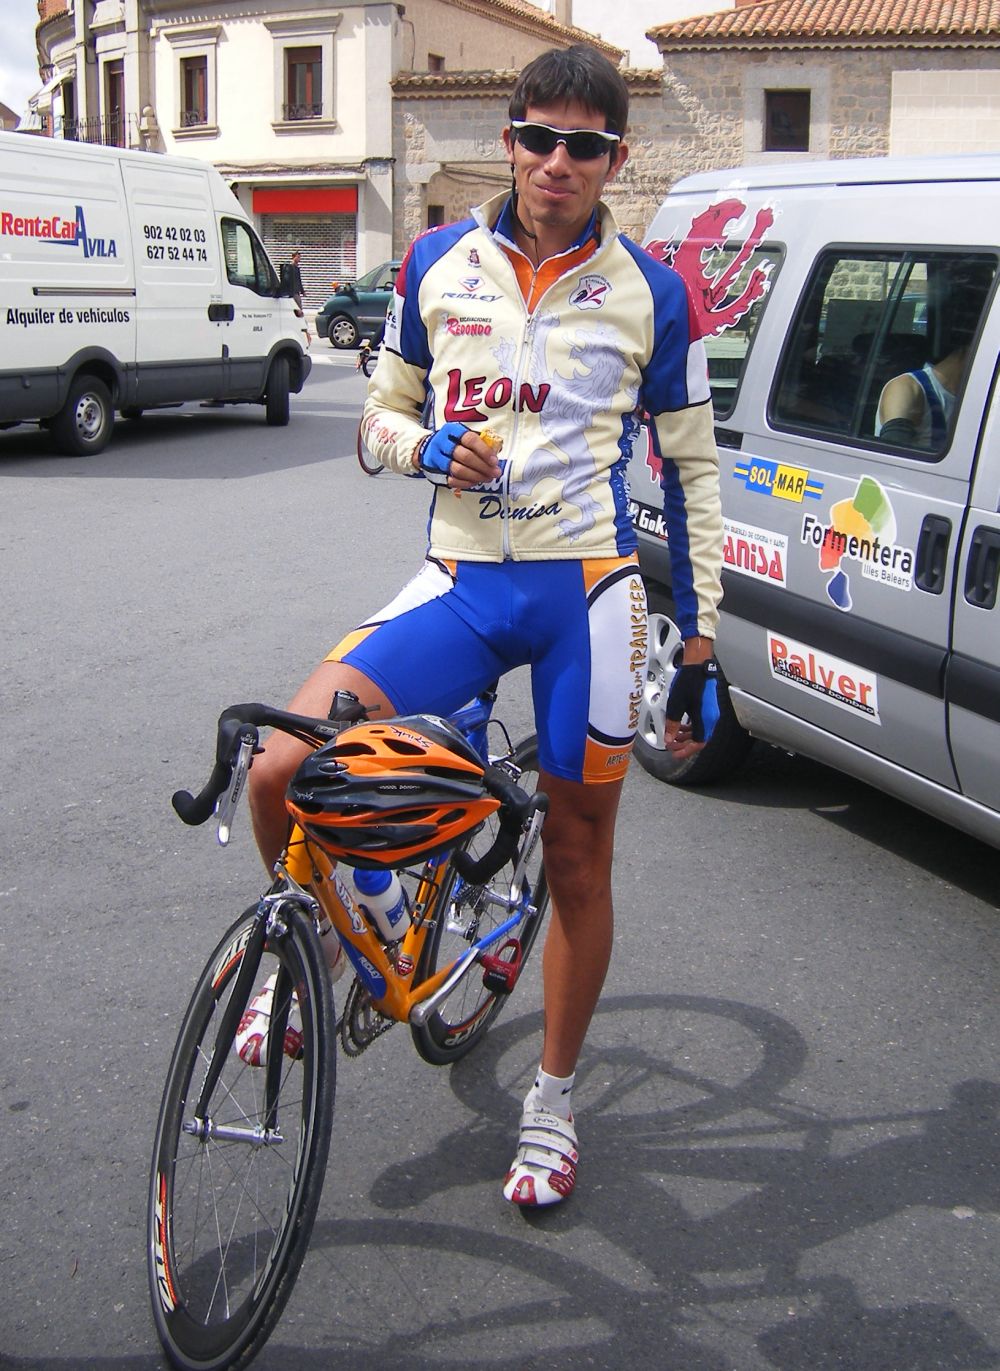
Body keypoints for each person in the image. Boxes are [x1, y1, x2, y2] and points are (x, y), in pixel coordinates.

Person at [248, 43, 724, 1208]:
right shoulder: (433, 262)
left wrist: (703, 639)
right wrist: (421, 446)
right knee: (277, 771)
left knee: (578, 857)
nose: (559, 162)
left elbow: (692, 473)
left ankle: (551, 1102)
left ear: (615, 159)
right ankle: (331, 942)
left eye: (585, 146)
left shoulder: (654, 293)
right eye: (539, 137)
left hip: (586, 597)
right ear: (509, 142)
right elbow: (377, 417)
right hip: (460, 580)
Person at [283, 249, 312, 346]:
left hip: (296, 293)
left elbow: (299, 280)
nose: (299, 259)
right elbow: (286, 280)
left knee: (299, 310)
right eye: (298, 257)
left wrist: (302, 291)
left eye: (300, 257)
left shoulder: (297, 268)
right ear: (293, 257)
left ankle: (302, 328)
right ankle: (302, 328)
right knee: (297, 311)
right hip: (292, 293)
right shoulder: (289, 268)